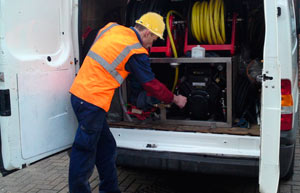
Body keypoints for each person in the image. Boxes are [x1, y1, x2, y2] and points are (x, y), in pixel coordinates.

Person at [68, 12, 187, 193]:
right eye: (153, 39)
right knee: (84, 151)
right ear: (146, 33)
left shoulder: (112, 28)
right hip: (92, 102)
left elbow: (98, 49)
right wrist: (175, 98)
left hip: (79, 94)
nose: (151, 44)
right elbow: (151, 85)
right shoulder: (135, 50)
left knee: (106, 148)